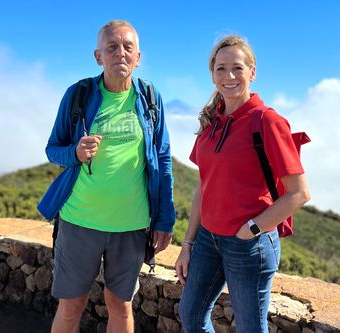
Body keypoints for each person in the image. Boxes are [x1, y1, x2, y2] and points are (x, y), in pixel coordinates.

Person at [37, 20, 175, 333]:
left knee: (120, 305)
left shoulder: (151, 99)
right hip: (79, 221)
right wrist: (74, 153)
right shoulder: (78, 95)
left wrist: (165, 219)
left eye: (128, 47)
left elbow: (163, 158)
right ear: (98, 56)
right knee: (71, 305)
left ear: (138, 57)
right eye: (111, 47)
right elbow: (52, 149)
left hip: (131, 224)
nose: (120, 53)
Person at [175, 35, 310, 333]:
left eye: (237, 67)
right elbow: (203, 186)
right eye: (221, 68)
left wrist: (250, 230)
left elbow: (299, 194)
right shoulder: (212, 121)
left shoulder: (267, 121)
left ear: (252, 72)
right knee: (191, 316)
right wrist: (187, 244)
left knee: (250, 328)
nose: (229, 76)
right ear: (212, 74)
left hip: (249, 243)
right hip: (208, 239)